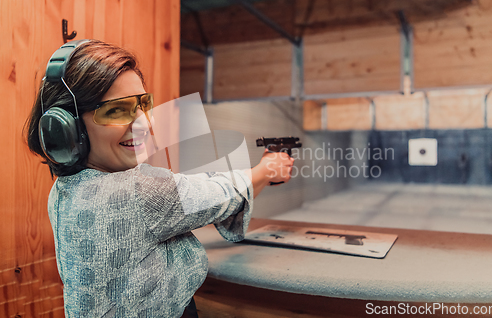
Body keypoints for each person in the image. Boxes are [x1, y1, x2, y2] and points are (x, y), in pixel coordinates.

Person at [24, 40, 294, 317]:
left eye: (143, 104)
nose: (143, 123)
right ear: (66, 129)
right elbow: (218, 194)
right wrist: (265, 170)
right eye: (117, 110)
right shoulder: (139, 192)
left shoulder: (63, 190)